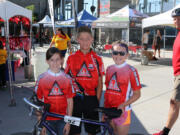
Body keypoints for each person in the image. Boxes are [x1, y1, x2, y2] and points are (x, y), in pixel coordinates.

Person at [65, 26, 105, 135]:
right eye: (82, 39)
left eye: (87, 38)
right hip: (75, 100)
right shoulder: (71, 58)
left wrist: (95, 101)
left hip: (91, 100)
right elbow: (66, 81)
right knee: (73, 131)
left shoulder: (98, 59)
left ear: (92, 39)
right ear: (78, 40)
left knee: (92, 131)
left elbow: (100, 84)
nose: (85, 42)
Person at [34, 47, 74, 135]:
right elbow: (38, 102)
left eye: (57, 59)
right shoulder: (41, 78)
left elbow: (70, 101)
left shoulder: (67, 78)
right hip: (47, 119)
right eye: (52, 60)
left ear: (62, 60)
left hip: (63, 119)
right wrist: (41, 123)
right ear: (47, 61)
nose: (55, 63)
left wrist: (69, 122)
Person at [104, 42, 141, 135]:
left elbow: (137, 94)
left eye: (122, 53)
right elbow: (108, 92)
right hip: (109, 110)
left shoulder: (131, 70)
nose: (118, 55)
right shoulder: (109, 69)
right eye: (115, 53)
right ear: (112, 53)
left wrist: (124, 105)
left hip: (123, 111)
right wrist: (104, 112)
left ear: (127, 55)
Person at [153, 8, 180, 135]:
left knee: (174, 102)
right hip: (176, 74)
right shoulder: (178, 34)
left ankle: (165, 132)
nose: (176, 21)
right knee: (175, 103)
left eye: (179, 18)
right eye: (175, 19)